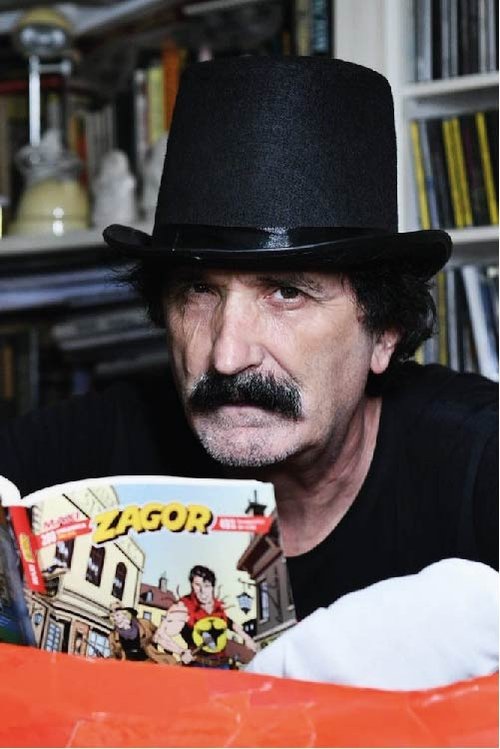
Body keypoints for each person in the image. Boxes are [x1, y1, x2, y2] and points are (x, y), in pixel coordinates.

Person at [0, 57, 497, 687]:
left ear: (385, 333)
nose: (227, 355)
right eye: (198, 291)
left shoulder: (478, 457)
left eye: (286, 292)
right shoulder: (95, 441)